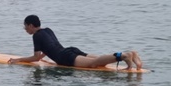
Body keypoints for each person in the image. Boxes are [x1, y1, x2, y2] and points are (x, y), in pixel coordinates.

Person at [8, 15, 143, 70]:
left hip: (65, 57)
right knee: (98, 58)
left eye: (25, 26)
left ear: (31, 25)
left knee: (93, 64)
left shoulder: (36, 36)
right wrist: (47, 58)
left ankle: (124, 55)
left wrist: (18, 60)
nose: (25, 29)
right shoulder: (47, 30)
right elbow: (49, 48)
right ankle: (133, 54)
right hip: (70, 50)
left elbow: (37, 56)